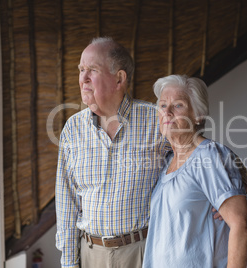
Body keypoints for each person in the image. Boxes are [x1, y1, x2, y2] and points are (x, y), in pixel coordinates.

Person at [55, 37, 171, 268]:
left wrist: (223, 197)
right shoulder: (73, 128)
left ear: (119, 78)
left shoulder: (156, 120)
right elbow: (66, 203)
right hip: (90, 254)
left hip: (142, 252)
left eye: (92, 70)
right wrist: (69, 263)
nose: (83, 78)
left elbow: (201, 157)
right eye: (81, 70)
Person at [143, 74, 247, 268]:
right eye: (162, 105)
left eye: (178, 105)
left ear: (197, 115)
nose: (167, 112)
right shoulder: (167, 159)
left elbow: (242, 224)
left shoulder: (209, 156)